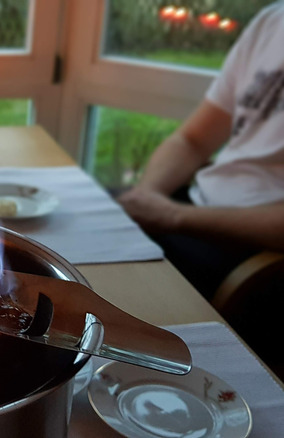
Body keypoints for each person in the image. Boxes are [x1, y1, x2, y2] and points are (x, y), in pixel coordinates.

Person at [118, 3, 284, 299]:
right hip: (191, 212)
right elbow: (192, 140)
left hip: (254, 261)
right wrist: (147, 197)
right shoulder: (274, 20)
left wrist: (171, 216)